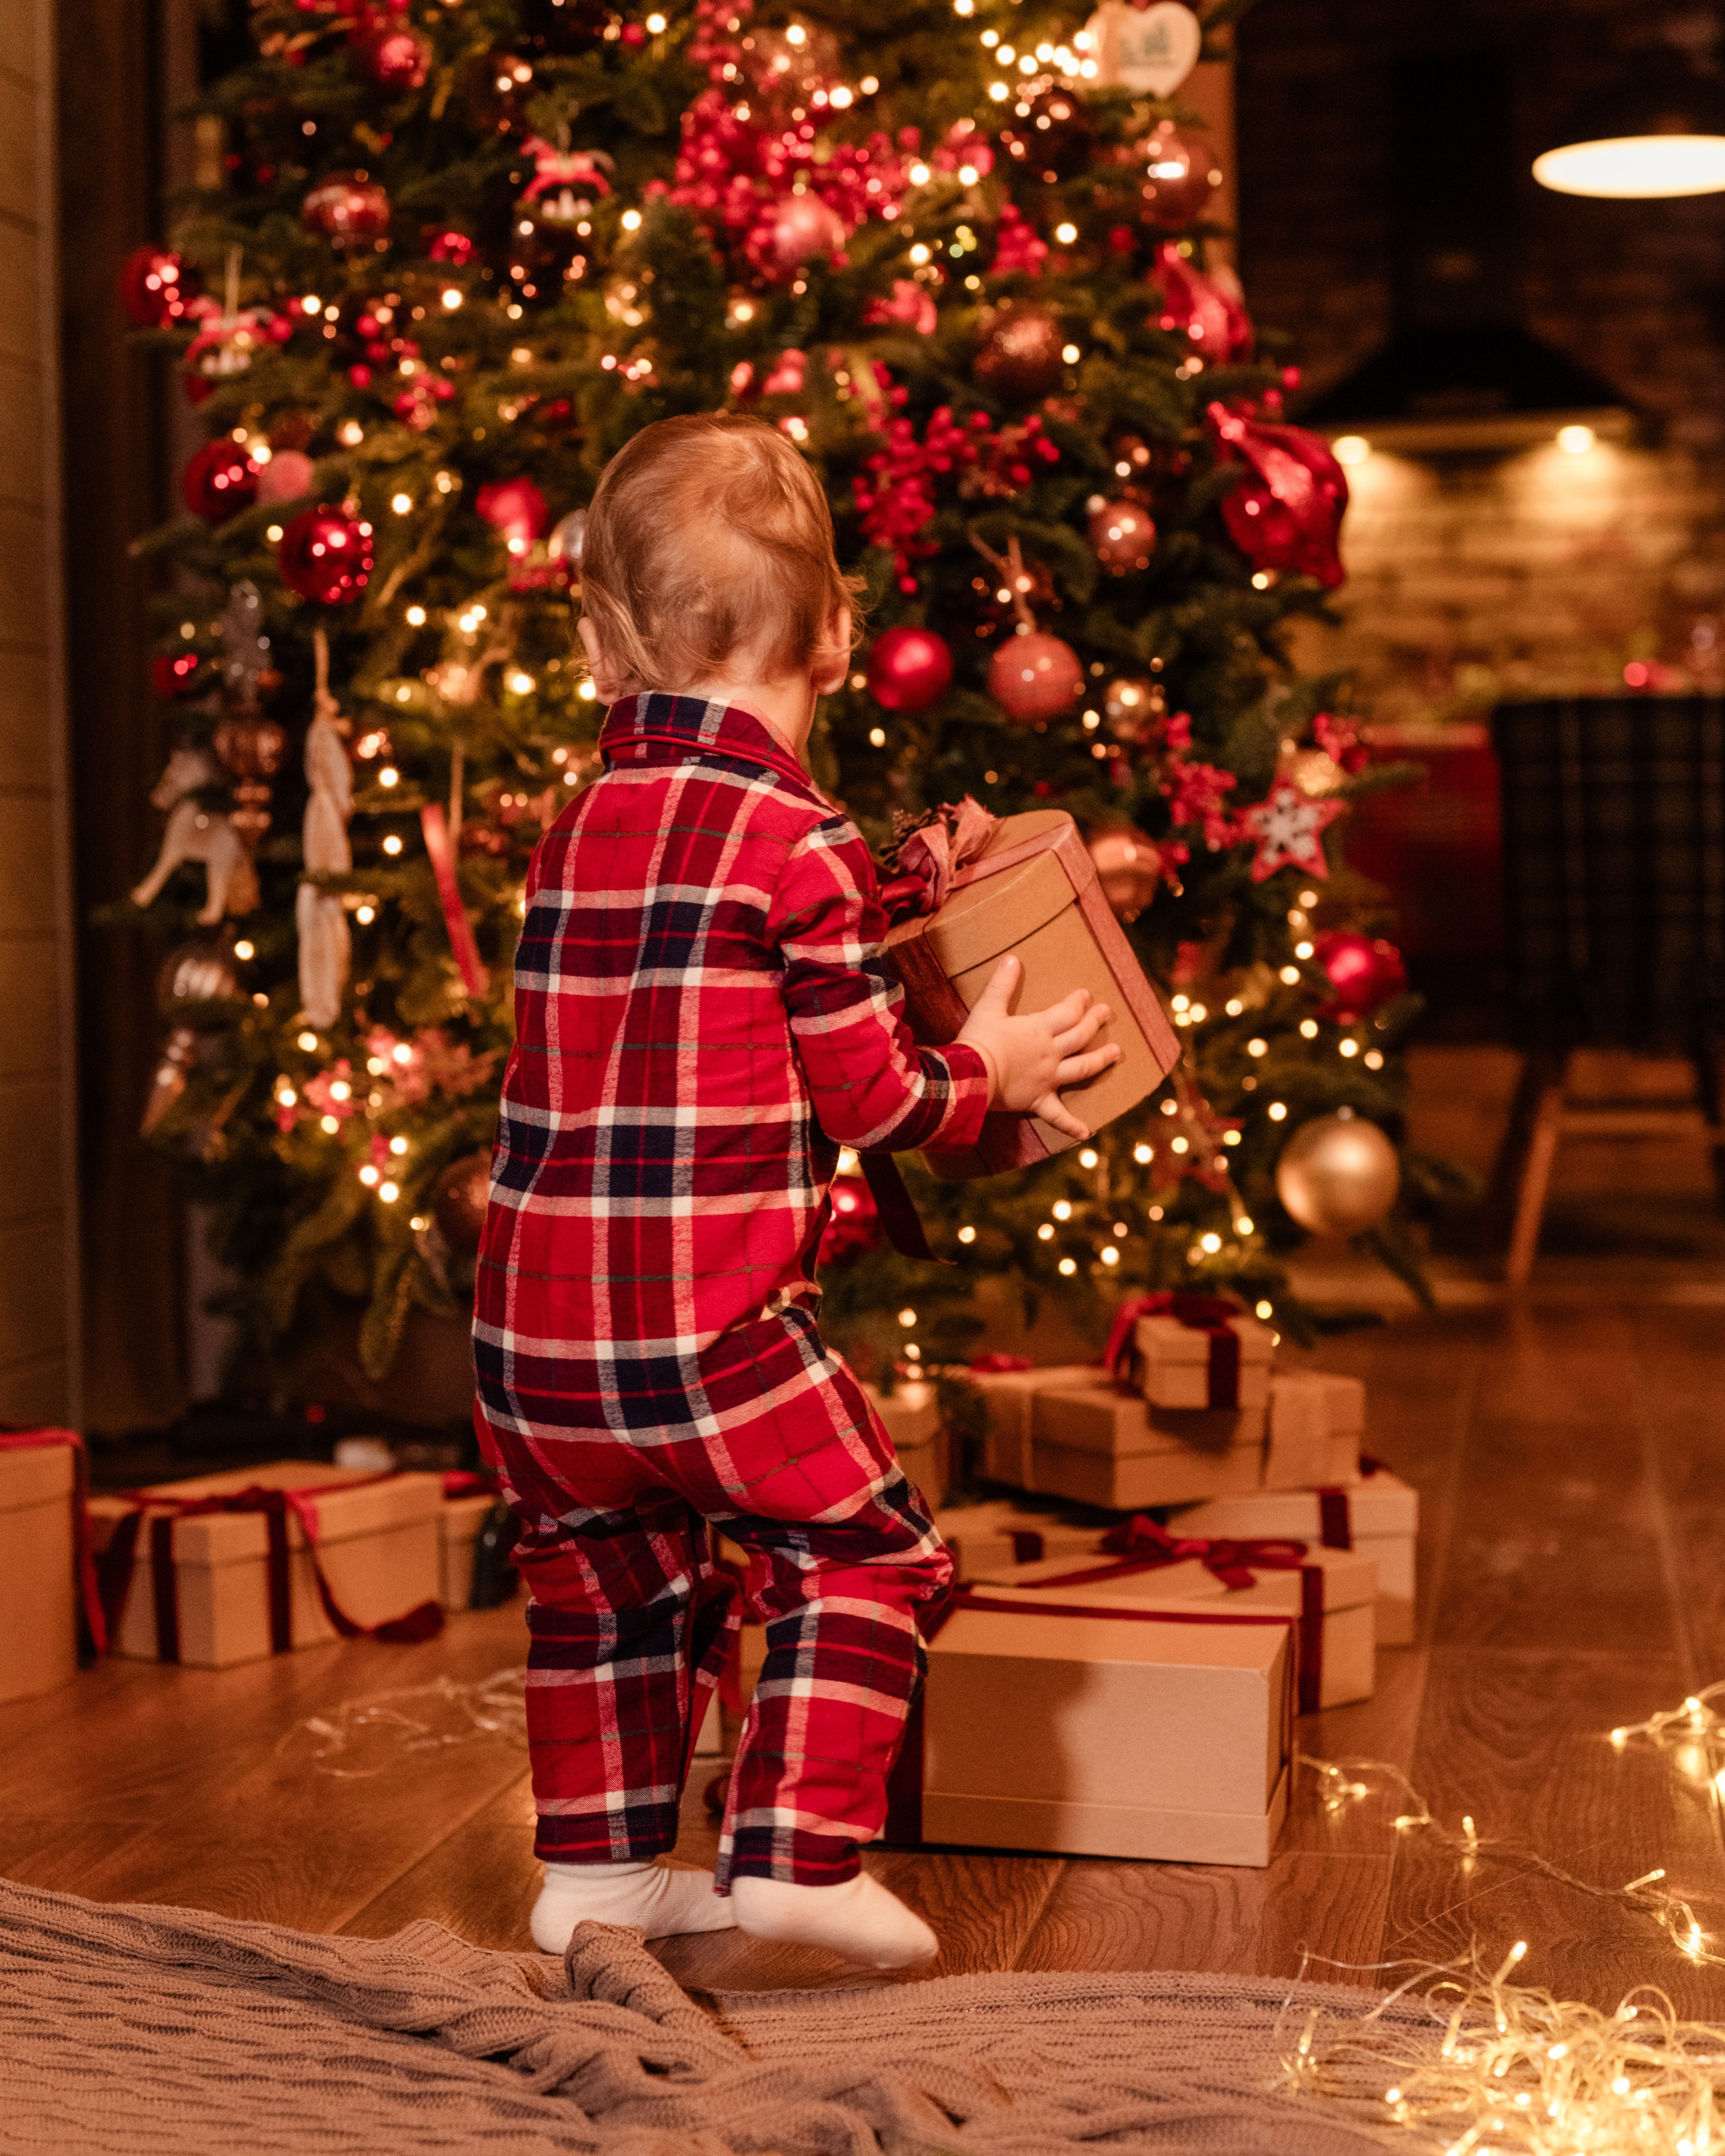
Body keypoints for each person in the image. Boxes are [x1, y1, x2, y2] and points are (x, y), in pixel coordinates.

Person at [472, 412, 1119, 1971]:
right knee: (868, 1548)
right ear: (838, 633)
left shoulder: (573, 830)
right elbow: (878, 1096)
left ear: (603, 635)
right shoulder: (795, 839)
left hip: (532, 1350)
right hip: (711, 1334)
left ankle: (599, 1879)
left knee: (611, 1586)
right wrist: (1003, 1069)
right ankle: (790, 1853)